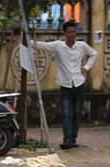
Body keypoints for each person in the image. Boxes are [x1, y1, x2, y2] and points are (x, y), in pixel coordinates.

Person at [30, 20, 96, 149]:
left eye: (74, 31)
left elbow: (93, 54)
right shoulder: (58, 46)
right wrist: (26, 38)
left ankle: (73, 138)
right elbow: (42, 45)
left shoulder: (82, 46)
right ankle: (67, 139)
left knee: (77, 113)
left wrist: (86, 67)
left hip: (78, 83)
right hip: (65, 84)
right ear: (64, 33)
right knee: (66, 113)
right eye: (70, 32)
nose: (72, 34)